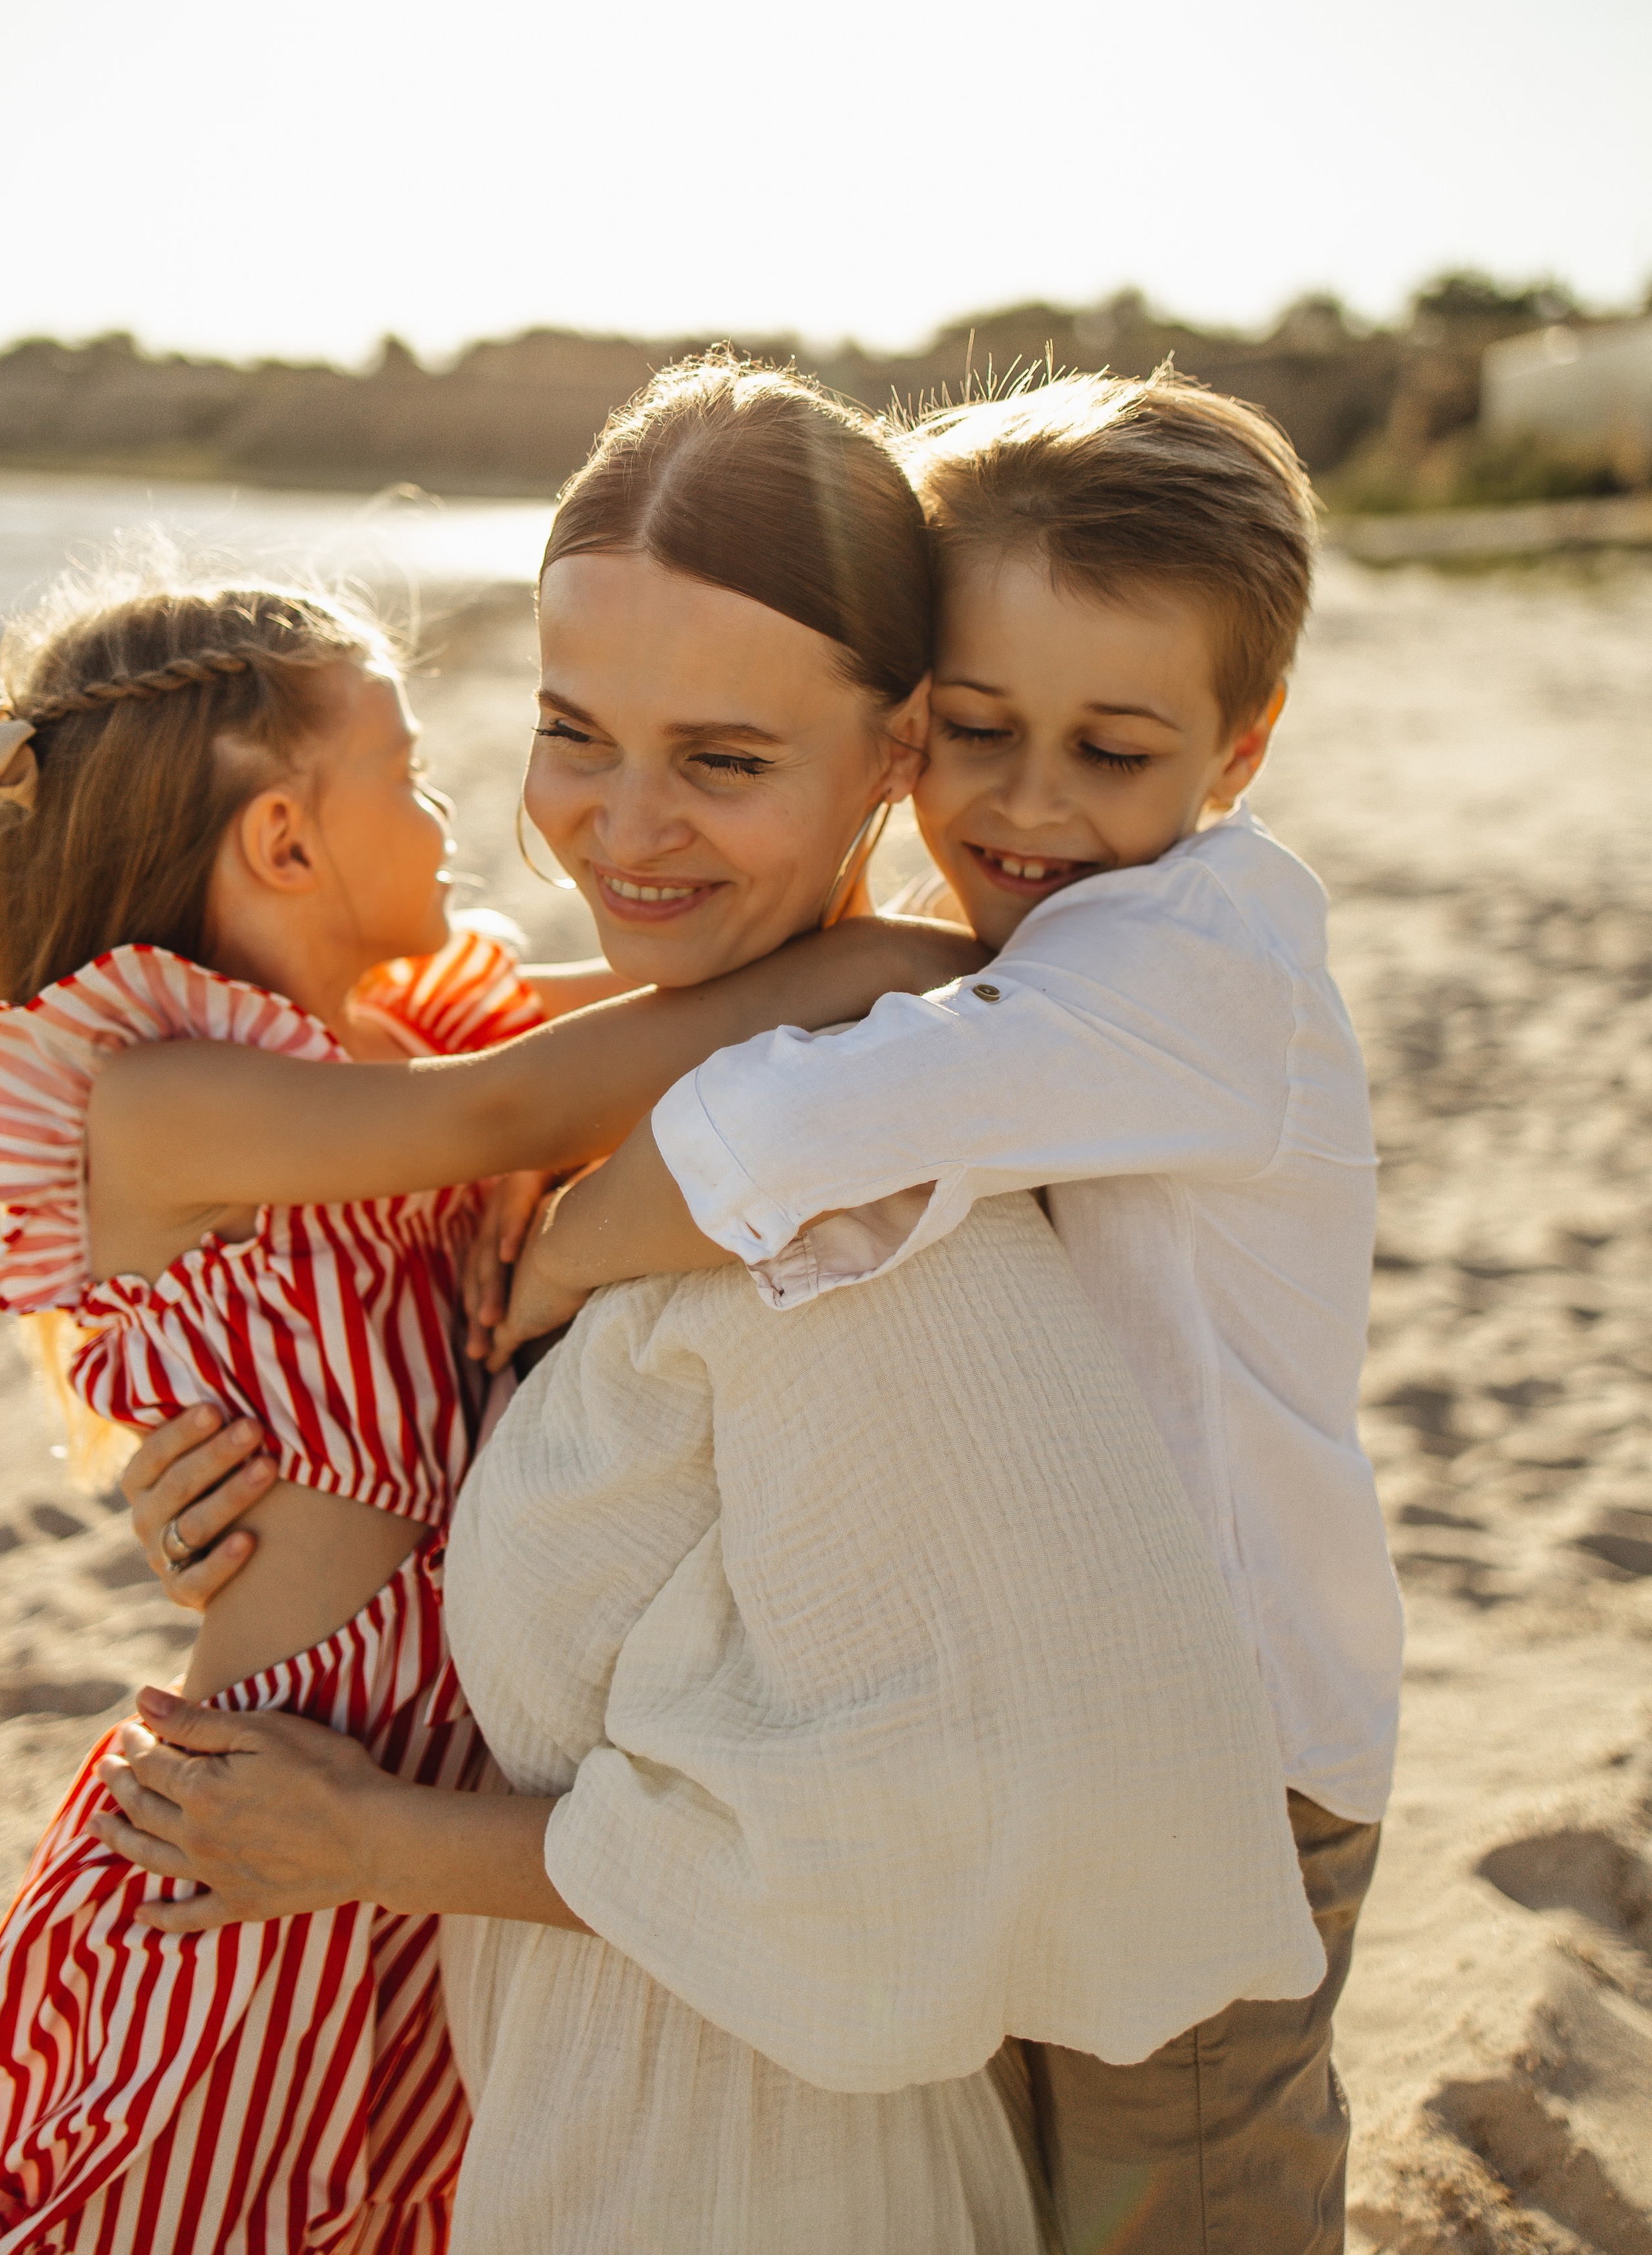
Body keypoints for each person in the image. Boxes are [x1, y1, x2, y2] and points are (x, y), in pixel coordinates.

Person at [95, 361, 1324, 2254]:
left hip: (748, 2158)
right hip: (573, 2100)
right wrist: (287, 1507)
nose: (621, 828)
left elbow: (895, 1844)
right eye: (571, 731)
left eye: (726, 760)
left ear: (894, 753)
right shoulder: (653, 1090)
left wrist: (367, 1844)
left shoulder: (858, 1220)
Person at [0, 553, 973, 2254]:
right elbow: (510, 1108)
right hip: (260, 1814)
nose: (450, 821)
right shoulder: (160, 1092)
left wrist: (892, 945)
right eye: (410, 778)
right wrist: (917, 955)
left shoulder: (393, 1034)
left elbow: (676, 1016)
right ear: (285, 842)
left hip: (426, 1823)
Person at [497, 368, 1403, 2254]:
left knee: (1182, 2200)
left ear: (1238, 753)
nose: (1029, 802)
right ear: (912, 722)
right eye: (981, 731)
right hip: (1058, 1716)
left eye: (1113, 751)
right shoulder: (1025, 950)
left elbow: (785, 1126)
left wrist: (566, 1257)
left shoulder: (1189, 957)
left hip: (1226, 1756)